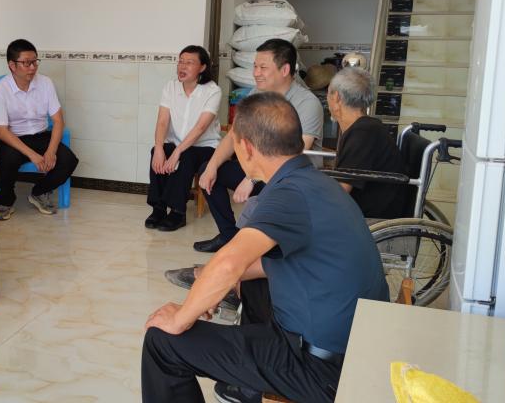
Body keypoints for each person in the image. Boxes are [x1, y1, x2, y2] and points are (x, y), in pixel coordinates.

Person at [141, 92, 389, 403]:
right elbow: (256, 265)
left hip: (322, 369)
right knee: (251, 283)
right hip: (355, 345)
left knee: (162, 342)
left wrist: (181, 317)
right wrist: (209, 286)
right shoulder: (317, 181)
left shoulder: (288, 194)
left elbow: (229, 262)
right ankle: (247, 385)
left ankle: (252, 378)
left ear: (245, 148)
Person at [192, 38, 323, 253]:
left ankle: (257, 246)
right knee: (210, 170)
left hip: (292, 179)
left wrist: (250, 178)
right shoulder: (257, 95)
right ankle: (228, 235)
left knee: (263, 197)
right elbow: (234, 135)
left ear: (285, 70)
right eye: (254, 66)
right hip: (262, 171)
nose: (256, 73)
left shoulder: (307, 103)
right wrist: (212, 166)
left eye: (263, 67)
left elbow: (293, 155)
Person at [0, 38, 79, 220]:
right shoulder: (0, 89)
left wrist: (51, 151)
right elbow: (1, 131)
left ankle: (39, 192)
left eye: (35, 62)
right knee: (8, 159)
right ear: (12, 65)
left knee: (69, 160)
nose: (32, 68)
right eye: (26, 63)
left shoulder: (45, 83)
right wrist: (33, 155)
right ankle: (6, 201)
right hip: (14, 138)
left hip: (41, 136)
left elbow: (58, 121)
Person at [145, 45, 221, 232]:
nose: (182, 66)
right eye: (180, 61)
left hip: (205, 147)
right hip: (177, 143)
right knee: (157, 151)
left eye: (189, 62)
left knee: (187, 156)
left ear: (202, 67)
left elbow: (200, 127)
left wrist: (178, 152)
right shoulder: (170, 87)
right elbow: (162, 121)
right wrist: (160, 148)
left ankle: (178, 212)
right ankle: (159, 208)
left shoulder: (213, 91)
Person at [328, 67, 409, 219]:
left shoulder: (363, 133)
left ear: (337, 97)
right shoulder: (365, 128)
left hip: (370, 215)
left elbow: (340, 191)